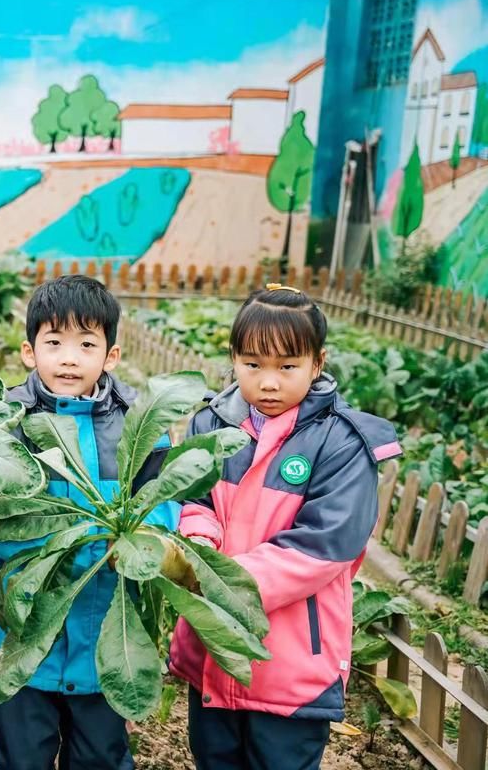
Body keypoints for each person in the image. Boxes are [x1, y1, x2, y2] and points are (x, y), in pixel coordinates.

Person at [169, 285, 402, 770]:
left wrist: (220, 578)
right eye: (253, 364)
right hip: (213, 655)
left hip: (292, 662)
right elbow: (194, 497)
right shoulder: (210, 425)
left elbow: (324, 547)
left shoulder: (343, 443)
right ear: (233, 359)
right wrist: (197, 543)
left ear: (318, 363)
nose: (268, 382)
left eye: (287, 367)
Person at [0, 275, 179, 770]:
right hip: (23, 633)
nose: (69, 358)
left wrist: (140, 541)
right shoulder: (7, 420)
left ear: (110, 355)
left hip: (107, 635)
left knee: (101, 756)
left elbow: (167, 499)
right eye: (54, 343)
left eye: (86, 344)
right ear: (29, 351)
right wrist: (62, 539)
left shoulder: (142, 424)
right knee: (21, 756)